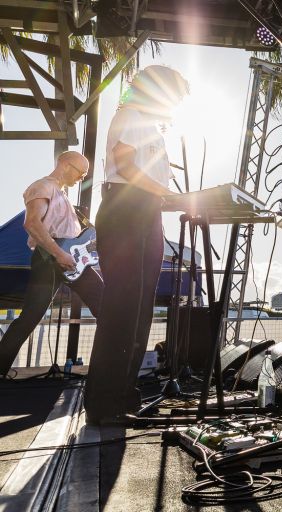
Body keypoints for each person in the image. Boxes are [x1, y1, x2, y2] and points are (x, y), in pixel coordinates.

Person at [83, 66, 189, 425]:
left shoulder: (150, 125)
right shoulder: (130, 115)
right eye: (173, 95)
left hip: (146, 211)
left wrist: (173, 198)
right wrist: (168, 194)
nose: (174, 104)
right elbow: (126, 167)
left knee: (140, 309)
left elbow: (149, 178)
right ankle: (103, 403)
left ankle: (124, 395)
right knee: (122, 309)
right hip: (126, 208)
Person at [0, 152, 104, 377]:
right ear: (66, 164)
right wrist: (59, 254)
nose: (82, 178)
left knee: (105, 305)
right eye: (81, 172)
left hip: (70, 259)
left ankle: (107, 368)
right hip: (50, 258)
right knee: (30, 316)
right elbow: (32, 224)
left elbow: (74, 238)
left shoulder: (63, 196)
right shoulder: (42, 186)